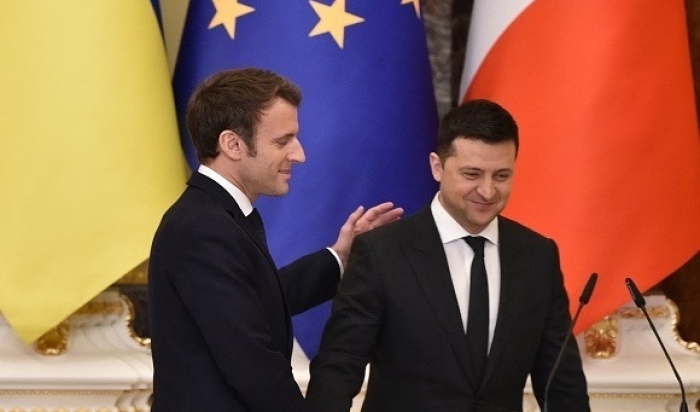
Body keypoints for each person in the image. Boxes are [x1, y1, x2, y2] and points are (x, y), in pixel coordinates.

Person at [306, 99, 590, 411]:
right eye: (472, 174)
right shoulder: (382, 251)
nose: (487, 191)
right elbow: (340, 364)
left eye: (501, 176)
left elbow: (562, 383)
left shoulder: (538, 257)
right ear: (437, 166)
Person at [148, 68, 403, 411]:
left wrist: (340, 257)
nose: (299, 155)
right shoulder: (202, 228)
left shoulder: (215, 216)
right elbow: (251, 361)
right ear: (233, 144)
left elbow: (254, 301)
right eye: (282, 141)